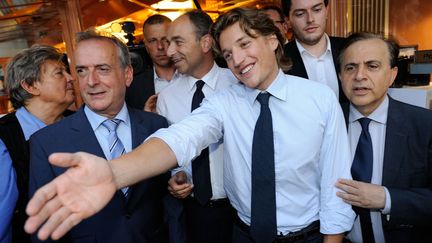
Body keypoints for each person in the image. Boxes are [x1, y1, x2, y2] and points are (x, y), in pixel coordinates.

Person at [25, 8, 355, 243]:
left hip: (309, 236)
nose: (237, 60)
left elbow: (335, 184)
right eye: (228, 52)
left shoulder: (319, 99)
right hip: (243, 234)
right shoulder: (226, 102)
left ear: (272, 40)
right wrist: (114, 174)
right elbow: (179, 138)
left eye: (245, 44)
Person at [28, 30, 171, 243]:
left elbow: (168, 204)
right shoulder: (46, 143)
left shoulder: (156, 126)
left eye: (102, 69)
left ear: (127, 74)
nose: (91, 81)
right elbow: (44, 228)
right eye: (82, 71)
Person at [335, 32, 432, 243]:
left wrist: (387, 198)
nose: (359, 76)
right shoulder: (326, 124)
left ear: (392, 74)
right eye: (350, 67)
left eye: (372, 66)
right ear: (341, 76)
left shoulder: (425, 126)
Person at [159, 10, 237, 243]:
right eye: (168, 43)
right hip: (193, 214)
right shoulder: (166, 97)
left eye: (178, 42)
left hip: (240, 213)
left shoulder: (238, 84)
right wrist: (176, 176)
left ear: (205, 42)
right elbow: (171, 153)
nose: (170, 51)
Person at [0, 45, 75, 243]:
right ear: (30, 86)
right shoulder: (4, 137)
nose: (71, 78)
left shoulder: (81, 123)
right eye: (59, 73)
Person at [281, 0, 348, 103]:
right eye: (300, 14)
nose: (310, 19)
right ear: (288, 20)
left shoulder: (348, 48)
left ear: (326, 10)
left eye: (317, 10)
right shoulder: (278, 60)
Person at [125, 14, 180, 111]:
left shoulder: (194, 76)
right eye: (153, 40)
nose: (160, 47)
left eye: (165, 39)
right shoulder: (133, 87)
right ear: (146, 45)